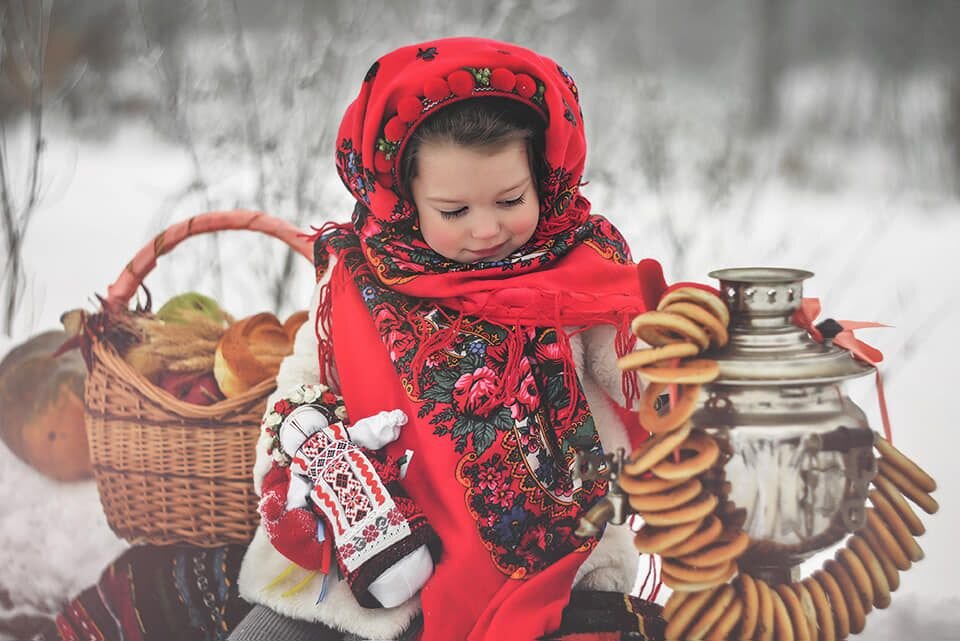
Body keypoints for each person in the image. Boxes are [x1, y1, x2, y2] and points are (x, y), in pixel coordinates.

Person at [228, 37, 673, 641]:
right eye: (454, 210)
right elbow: (306, 383)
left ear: (543, 177)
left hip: (564, 554)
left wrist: (699, 354)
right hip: (380, 558)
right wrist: (303, 473)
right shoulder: (359, 280)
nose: (487, 229)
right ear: (406, 199)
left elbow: (641, 366)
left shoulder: (578, 269)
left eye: (511, 200)